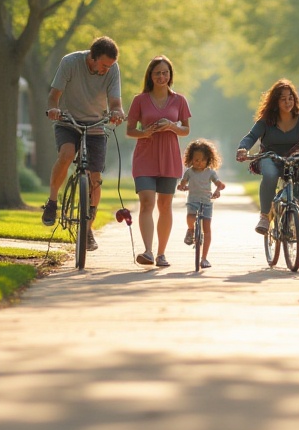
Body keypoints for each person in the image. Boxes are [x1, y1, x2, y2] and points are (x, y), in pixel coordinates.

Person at [44, 36, 126, 252]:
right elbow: (54, 95)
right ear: (93, 57)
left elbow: (115, 101)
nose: (107, 69)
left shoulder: (113, 69)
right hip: (68, 120)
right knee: (67, 154)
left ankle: (87, 229)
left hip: (96, 123)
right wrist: (53, 110)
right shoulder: (70, 62)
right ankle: (52, 201)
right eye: (104, 65)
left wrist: (117, 111)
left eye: (110, 65)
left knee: (95, 177)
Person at [235, 79, 299, 235]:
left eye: (290, 98)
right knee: (271, 175)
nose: (288, 102)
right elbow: (251, 136)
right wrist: (242, 148)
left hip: (296, 157)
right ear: (275, 102)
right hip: (270, 156)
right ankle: (265, 216)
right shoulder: (267, 120)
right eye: (283, 99)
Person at [126, 55, 190, 267]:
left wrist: (171, 126)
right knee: (146, 202)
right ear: (150, 76)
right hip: (145, 157)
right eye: (157, 73)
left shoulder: (179, 100)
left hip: (170, 157)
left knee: (165, 205)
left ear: (170, 75)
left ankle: (162, 253)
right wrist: (144, 133)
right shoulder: (140, 100)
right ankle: (148, 251)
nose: (161, 76)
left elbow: (185, 129)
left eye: (165, 72)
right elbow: (129, 130)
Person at [178, 139, 226, 269]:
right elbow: (184, 181)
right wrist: (182, 186)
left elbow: (217, 182)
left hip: (206, 202)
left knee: (207, 229)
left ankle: (204, 258)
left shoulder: (210, 172)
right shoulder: (189, 172)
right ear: (191, 159)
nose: (199, 163)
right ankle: (191, 230)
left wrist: (218, 188)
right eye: (196, 160)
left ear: (209, 160)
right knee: (190, 217)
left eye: (203, 160)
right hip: (193, 200)